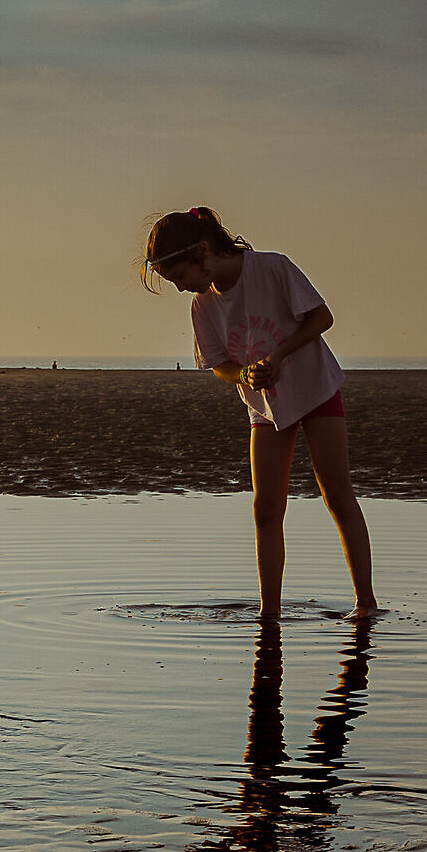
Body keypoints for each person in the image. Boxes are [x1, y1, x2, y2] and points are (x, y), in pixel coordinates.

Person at [143, 207, 378, 619]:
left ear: (202, 251)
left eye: (181, 276)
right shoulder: (203, 306)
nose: (181, 288)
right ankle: (269, 612)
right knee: (266, 508)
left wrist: (279, 356)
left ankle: (366, 603)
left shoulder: (272, 269)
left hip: (315, 388)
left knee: (337, 496)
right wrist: (245, 375)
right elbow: (218, 364)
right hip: (265, 407)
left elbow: (323, 317)